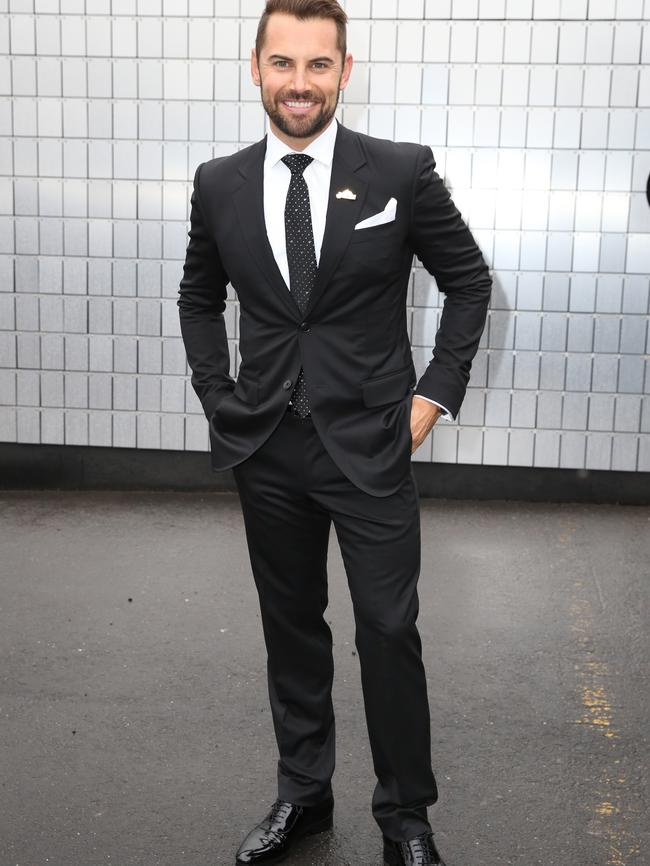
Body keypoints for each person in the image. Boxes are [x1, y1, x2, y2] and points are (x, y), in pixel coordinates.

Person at [178, 1, 491, 863]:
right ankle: (303, 797)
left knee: (388, 629)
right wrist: (218, 394)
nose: (300, 83)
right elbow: (198, 297)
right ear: (256, 69)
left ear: (344, 71)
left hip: (372, 444)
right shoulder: (220, 182)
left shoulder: (399, 172)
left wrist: (435, 396)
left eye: (319, 65)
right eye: (283, 63)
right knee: (292, 626)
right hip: (267, 449)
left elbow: (469, 283)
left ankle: (407, 821)